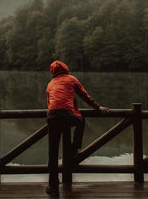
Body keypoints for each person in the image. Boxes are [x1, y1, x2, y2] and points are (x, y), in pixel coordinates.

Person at [45, 60, 109, 196]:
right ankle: (74, 149)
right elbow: (84, 95)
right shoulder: (71, 79)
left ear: (52, 72)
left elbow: (50, 103)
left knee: (52, 153)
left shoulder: (50, 84)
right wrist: (97, 107)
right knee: (80, 120)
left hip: (52, 117)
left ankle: (53, 187)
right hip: (67, 116)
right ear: (65, 68)